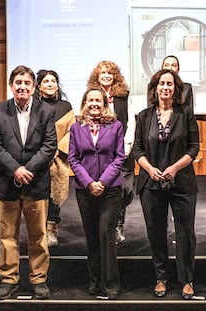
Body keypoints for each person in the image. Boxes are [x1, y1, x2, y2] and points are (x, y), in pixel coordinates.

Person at [0, 65, 57, 300]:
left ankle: (39, 280)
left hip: (36, 184)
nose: (22, 87)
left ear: (33, 86)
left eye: (27, 83)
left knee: (38, 236)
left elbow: (49, 146)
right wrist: (15, 169)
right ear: (11, 86)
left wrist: (28, 169)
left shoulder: (46, 111)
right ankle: (9, 280)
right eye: (18, 83)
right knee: (7, 237)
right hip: (7, 184)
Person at [133, 69, 199, 299]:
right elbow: (137, 149)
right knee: (156, 233)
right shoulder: (143, 116)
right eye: (162, 83)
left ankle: (187, 280)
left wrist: (174, 168)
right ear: (155, 88)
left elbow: (194, 148)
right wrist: (150, 169)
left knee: (185, 233)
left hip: (182, 182)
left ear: (176, 89)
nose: (166, 87)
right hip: (151, 184)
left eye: (170, 84)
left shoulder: (186, 114)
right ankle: (161, 277)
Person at [68, 87, 125, 300]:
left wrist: (102, 181)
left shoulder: (116, 126)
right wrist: (89, 182)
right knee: (91, 237)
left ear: (104, 103)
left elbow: (119, 157)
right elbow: (73, 158)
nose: (94, 104)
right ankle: (95, 282)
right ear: (85, 103)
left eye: (98, 100)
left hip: (110, 190)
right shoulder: (76, 127)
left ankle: (110, 284)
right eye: (90, 100)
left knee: (105, 235)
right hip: (85, 191)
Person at [86, 60, 135, 244]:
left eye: (109, 72)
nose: (106, 75)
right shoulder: (92, 97)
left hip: (123, 152)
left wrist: (127, 146)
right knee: (106, 190)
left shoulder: (124, 96)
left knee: (125, 190)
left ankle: (119, 224)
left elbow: (131, 122)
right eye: (102, 73)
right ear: (97, 77)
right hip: (101, 155)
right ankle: (110, 227)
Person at [34, 69, 76, 247]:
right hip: (36, 158)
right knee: (37, 194)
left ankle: (52, 229)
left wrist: (57, 150)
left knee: (54, 195)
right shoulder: (33, 105)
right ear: (39, 86)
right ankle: (38, 230)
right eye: (46, 81)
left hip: (58, 159)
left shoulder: (65, 106)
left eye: (53, 81)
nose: (50, 84)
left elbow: (72, 131)